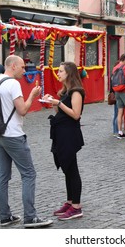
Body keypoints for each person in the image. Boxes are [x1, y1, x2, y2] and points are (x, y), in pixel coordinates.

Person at [0, 55, 53, 228]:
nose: (24, 70)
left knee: (2, 175)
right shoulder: (13, 84)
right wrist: (33, 95)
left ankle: (5, 216)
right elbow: (23, 110)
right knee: (29, 174)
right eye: (22, 67)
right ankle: (30, 217)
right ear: (12, 66)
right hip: (13, 135)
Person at [42, 62, 85, 221]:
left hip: (70, 134)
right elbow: (61, 112)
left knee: (72, 169)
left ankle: (76, 207)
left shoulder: (76, 92)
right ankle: (70, 201)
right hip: (61, 133)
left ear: (69, 73)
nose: (58, 73)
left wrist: (57, 103)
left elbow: (75, 114)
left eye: (60, 71)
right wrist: (53, 102)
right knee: (67, 168)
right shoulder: (66, 91)